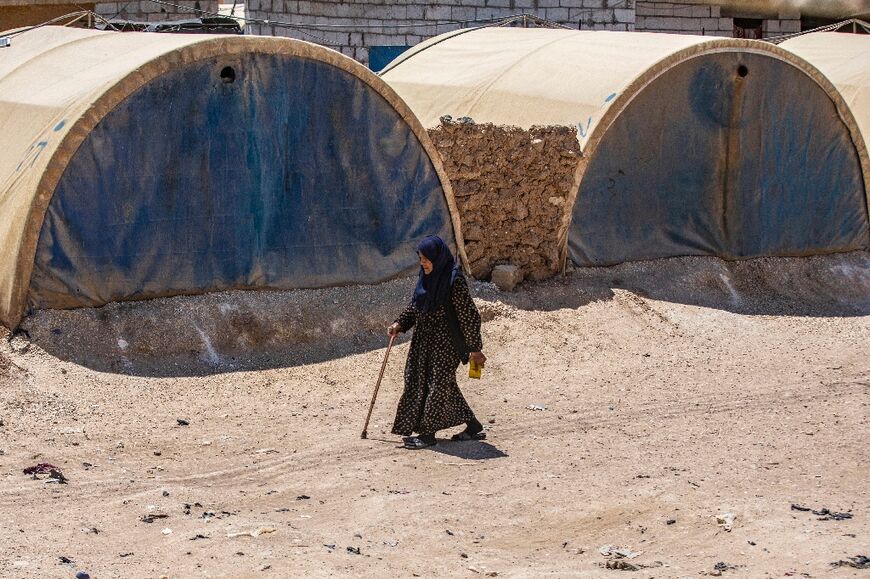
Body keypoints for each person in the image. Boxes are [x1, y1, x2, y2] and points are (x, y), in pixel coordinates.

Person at [388, 235, 487, 450]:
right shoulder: (426, 279)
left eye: (426, 259)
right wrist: (400, 323)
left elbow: (469, 317)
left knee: (437, 385)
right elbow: (416, 307)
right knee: (430, 382)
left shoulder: (454, 282)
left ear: (437, 257)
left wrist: (475, 349)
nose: (422, 263)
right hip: (423, 343)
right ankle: (473, 426)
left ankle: (427, 435)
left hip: (447, 345)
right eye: (420, 259)